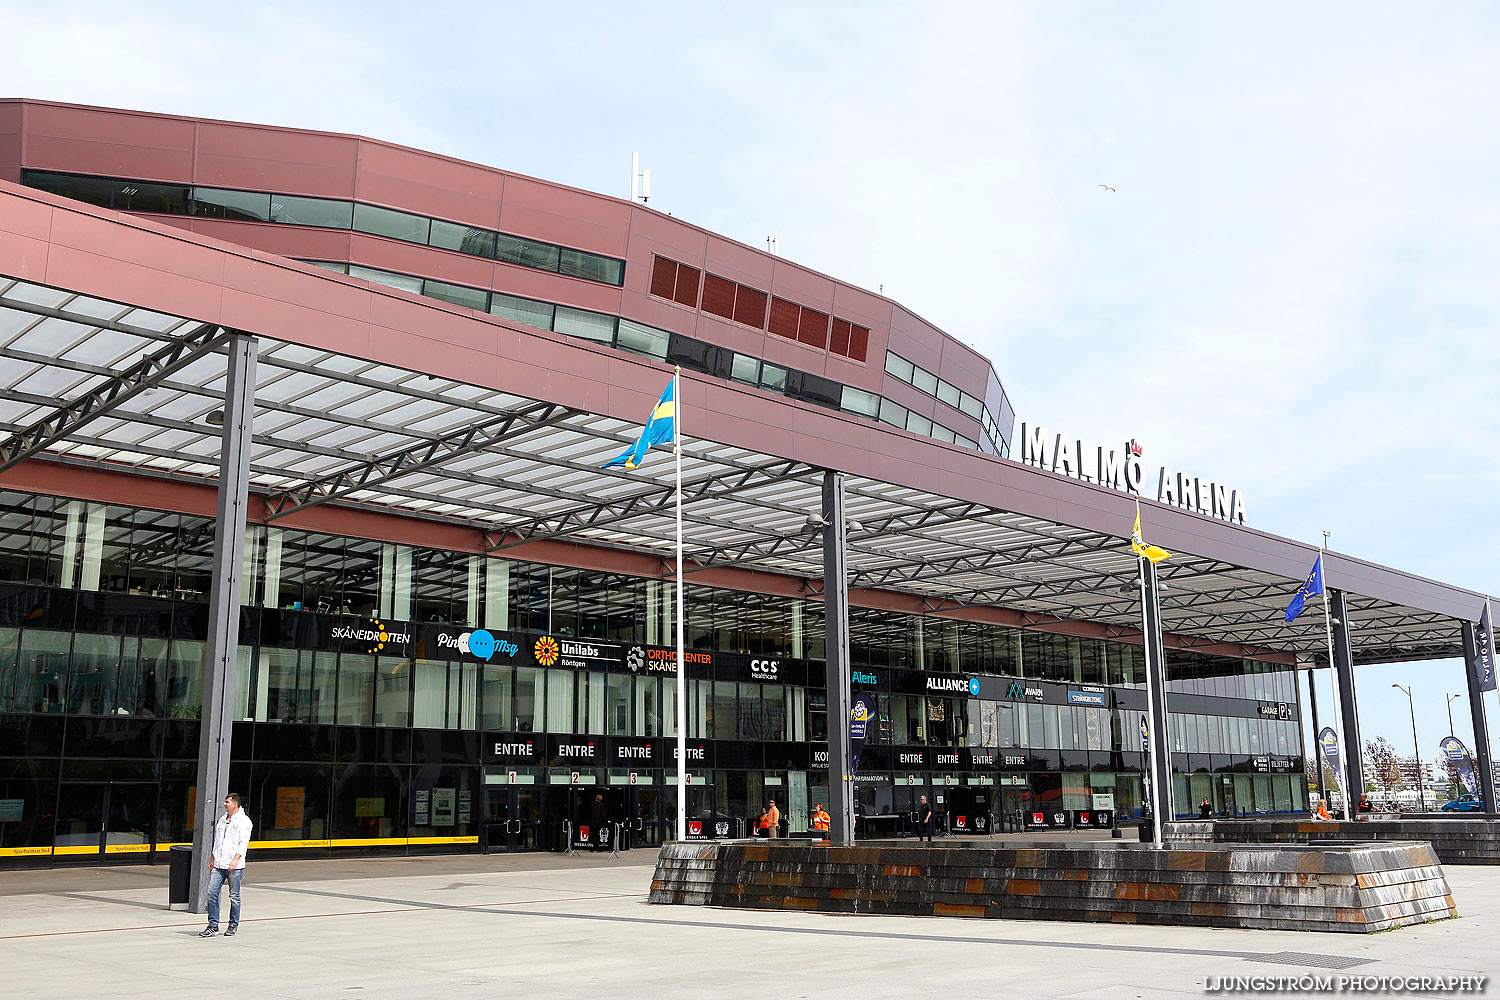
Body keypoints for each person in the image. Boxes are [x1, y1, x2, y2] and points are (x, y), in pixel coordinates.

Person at [201, 792, 253, 938]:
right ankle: (213, 925)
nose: (224, 804)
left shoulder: (244, 821)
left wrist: (235, 859)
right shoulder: (222, 820)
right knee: (212, 893)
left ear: (235, 804)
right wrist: (212, 857)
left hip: (234, 866)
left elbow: (243, 843)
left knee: (234, 896)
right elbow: (218, 841)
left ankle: (233, 925)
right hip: (219, 864)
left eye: (227, 802)